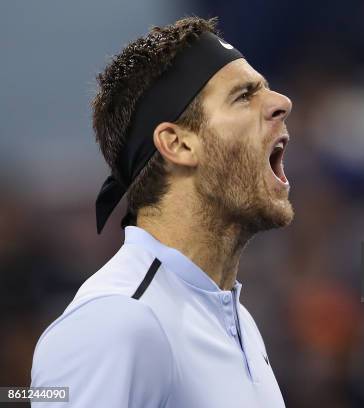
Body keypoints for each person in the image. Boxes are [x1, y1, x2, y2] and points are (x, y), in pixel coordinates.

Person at [31, 16, 292, 407]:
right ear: (178, 144)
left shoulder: (239, 324)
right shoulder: (116, 322)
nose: (281, 103)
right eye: (243, 95)